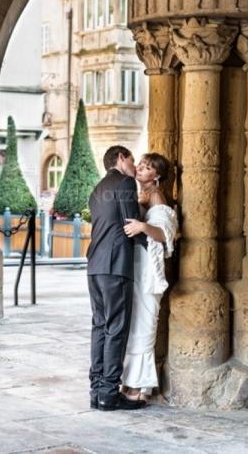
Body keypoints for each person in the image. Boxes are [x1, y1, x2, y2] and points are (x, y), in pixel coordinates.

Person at [86, 145, 147, 411]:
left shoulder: (97, 187)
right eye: (132, 160)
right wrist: (159, 242)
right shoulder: (125, 182)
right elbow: (131, 224)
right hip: (115, 265)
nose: (134, 166)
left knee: (100, 326)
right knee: (116, 329)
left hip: (95, 266)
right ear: (121, 158)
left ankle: (97, 391)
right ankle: (109, 393)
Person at [121, 153, 178, 401]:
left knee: (144, 322)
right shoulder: (140, 193)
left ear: (157, 176)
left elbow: (166, 233)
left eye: (148, 167)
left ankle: (141, 386)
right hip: (137, 264)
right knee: (133, 323)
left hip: (148, 270)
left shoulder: (156, 196)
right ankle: (129, 380)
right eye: (141, 165)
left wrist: (143, 227)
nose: (141, 169)